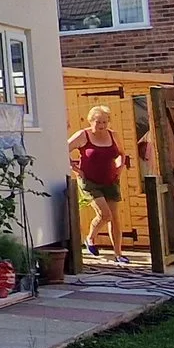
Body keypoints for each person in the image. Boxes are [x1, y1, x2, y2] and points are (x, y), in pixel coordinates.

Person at [68, 105, 131, 262]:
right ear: (91, 121)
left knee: (115, 217)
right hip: (90, 181)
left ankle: (118, 254)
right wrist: (75, 168)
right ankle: (90, 238)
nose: (102, 126)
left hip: (110, 180)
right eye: (98, 122)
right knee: (105, 214)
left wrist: (119, 167)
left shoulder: (113, 135)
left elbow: (122, 154)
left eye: (104, 122)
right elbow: (62, 149)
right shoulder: (83, 136)